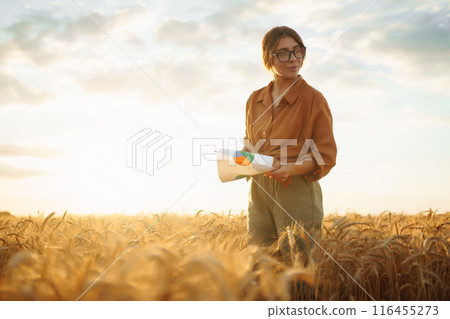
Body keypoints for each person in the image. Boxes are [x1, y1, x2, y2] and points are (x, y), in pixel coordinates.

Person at [242, 26, 337, 267]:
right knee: (260, 270)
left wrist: (290, 168)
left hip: (295, 187)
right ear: (268, 58)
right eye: (283, 53)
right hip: (259, 189)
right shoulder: (254, 99)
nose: (293, 59)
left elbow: (325, 155)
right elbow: (250, 142)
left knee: (298, 269)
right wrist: (243, 159)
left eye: (298, 51)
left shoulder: (313, 99)